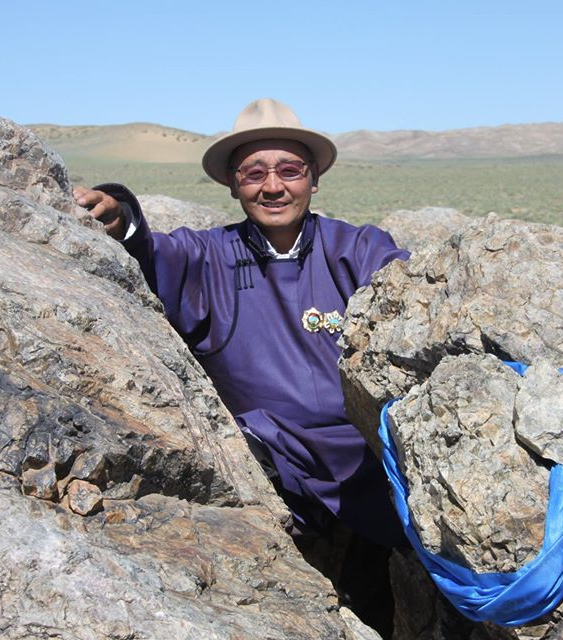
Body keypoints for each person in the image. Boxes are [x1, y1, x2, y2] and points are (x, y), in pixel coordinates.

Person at [74, 99, 408, 634]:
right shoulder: (207, 255)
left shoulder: (360, 249)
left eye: (289, 170)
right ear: (233, 185)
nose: (272, 187)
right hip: (274, 472)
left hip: (370, 470)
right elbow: (148, 252)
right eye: (254, 173)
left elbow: (412, 304)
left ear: (314, 178)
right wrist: (119, 216)